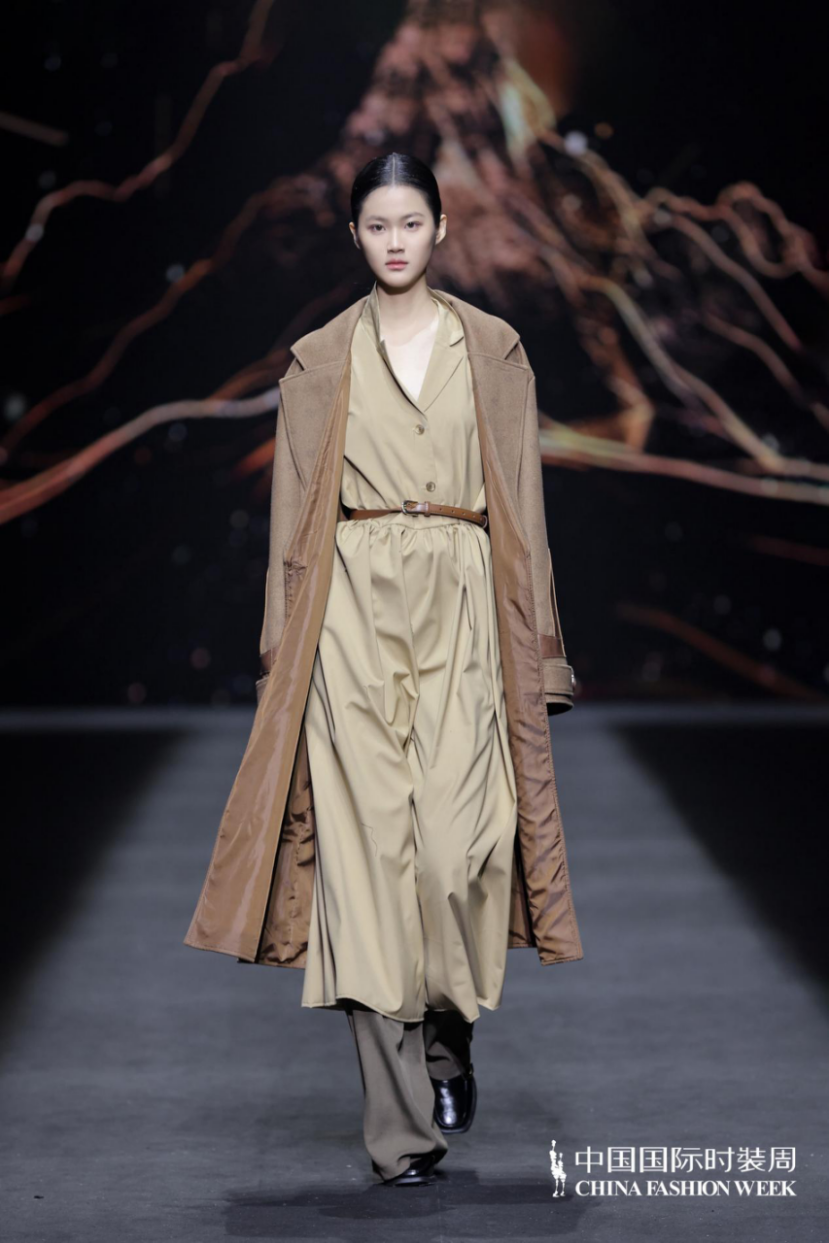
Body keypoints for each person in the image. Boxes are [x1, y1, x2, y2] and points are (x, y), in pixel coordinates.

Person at [184, 150, 583, 1190]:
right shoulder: (317, 361)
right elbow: (291, 527)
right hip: (350, 619)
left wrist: (541, 649)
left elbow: (524, 510)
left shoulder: (493, 349)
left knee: (458, 852)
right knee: (362, 882)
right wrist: (282, 657)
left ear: (441, 228)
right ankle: (400, 1134)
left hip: (462, 606)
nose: (395, 240)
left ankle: (448, 1034)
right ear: (354, 235)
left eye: (411, 222)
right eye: (377, 225)